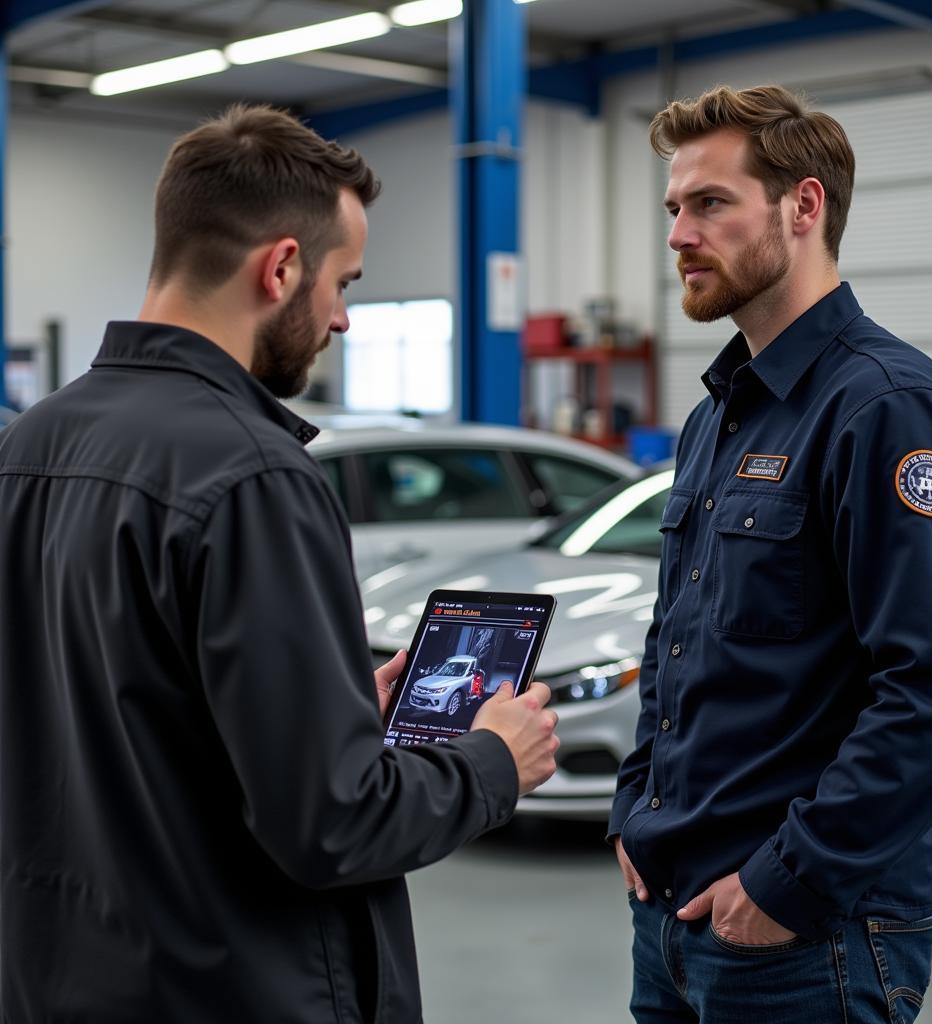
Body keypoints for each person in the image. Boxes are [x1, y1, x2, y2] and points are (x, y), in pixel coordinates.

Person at [0, 104, 559, 1023]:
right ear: (281, 267)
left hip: (57, 982)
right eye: (344, 283)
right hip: (233, 990)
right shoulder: (254, 474)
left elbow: (119, 722)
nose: (341, 317)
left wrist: (333, 717)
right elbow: (335, 824)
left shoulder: (30, 444)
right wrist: (493, 761)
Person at [610, 84, 932, 1023]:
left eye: (710, 203)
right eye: (673, 208)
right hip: (670, 914)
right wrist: (635, 809)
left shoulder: (887, 410)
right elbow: (679, 641)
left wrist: (790, 881)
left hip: (807, 938)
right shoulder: (719, 415)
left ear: (803, 206)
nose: (678, 234)